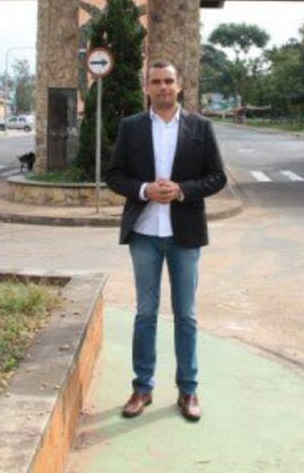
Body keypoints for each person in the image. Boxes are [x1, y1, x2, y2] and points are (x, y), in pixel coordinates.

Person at [105, 60, 227, 422]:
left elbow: (217, 176)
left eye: (168, 81)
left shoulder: (200, 128)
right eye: (155, 81)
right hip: (144, 233)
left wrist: (182, 191)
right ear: (147, 87)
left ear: (180, 85)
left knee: (186, 315)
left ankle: (188, 390)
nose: (162, 87)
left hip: (184, 235)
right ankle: (142, 388)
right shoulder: (131, 128)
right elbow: (114, 175)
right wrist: (143, 189)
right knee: (145, 314)